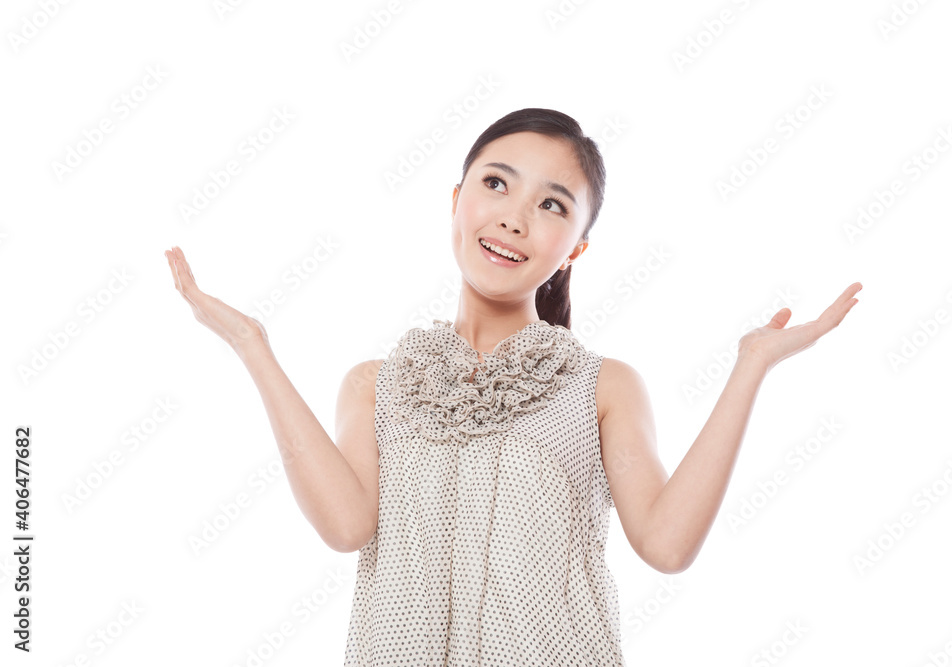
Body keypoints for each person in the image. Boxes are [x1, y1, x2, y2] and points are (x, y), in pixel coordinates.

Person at [165, 108, 862, 665]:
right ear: (456, 199)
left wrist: (751, 366)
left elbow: (668, 544)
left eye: (553, 205)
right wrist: (253, 347)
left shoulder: (600, 386)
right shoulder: (376, 386)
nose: (514, 216)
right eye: (496, 184)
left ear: (577, 248)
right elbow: (347, 526)